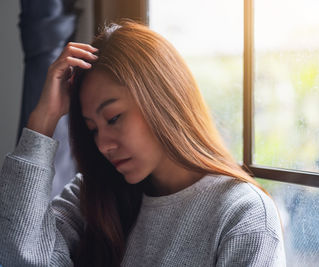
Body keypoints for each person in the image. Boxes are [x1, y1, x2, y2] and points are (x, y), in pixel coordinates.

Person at [0, 20, 286, 266]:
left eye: (113, 118)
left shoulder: (242, 213)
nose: (103, 145)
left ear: (162, 99)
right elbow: (20, 257)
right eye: (92, 130)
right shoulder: (94, 194)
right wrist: (42, 122)